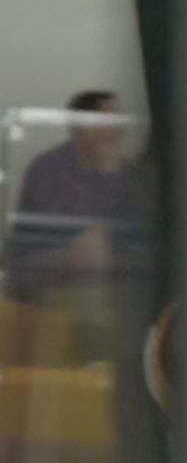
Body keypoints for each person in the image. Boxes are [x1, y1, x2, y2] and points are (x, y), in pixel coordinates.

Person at [4, 90, 139, 303]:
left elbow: (139, 246)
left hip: (110, 295)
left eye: (117, 123)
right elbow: (21, 252)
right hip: (50, 293)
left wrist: (110, 178)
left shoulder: (128, 176)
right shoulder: (45, 171)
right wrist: (66, 259)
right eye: (108, 124)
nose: (117, 132)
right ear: (81, 130)